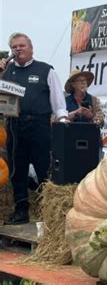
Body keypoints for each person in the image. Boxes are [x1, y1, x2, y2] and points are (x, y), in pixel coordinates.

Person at [0, 32, 68, 225]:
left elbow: (58, 100)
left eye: (21, 46)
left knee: (44, 169)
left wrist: (62, 120)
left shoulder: (45, 70)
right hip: (14, 126)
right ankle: (21, 211)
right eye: (14, 47)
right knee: (17, 171)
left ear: (31, 48)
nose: (17, 49)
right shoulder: (7, 71)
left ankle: (51, 214)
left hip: (38, 125)